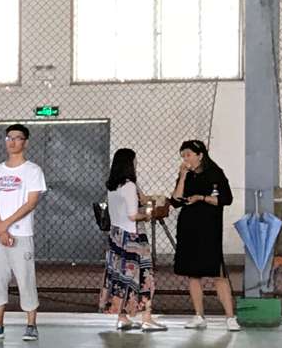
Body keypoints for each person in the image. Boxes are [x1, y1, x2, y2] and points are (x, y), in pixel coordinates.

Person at [0, 124, 47, 343]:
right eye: (9, 138)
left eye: (18, 138)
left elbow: (31, 202)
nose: (12, 142)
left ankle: (31, 325)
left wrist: (6, 225)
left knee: (25, 278)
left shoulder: (33, 171)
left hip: (21, 234)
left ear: (25, 142)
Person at [173, 138, 241, 332]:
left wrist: (202, 198)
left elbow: (226, 199)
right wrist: (182, 176)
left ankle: (230, 317)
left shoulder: (215, 173)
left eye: (188, 155)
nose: (186, 159)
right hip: (188, 228)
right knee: (193, 274)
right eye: (183, 156)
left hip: (209, 229)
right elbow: (176, 200)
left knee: (218, 274)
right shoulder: (186, 175)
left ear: (200, 155)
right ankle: (199, 315)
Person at [101, 149, 164, 333]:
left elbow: (139, 201)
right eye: (135, 161)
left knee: (120, 277)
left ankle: (122, 317)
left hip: (116, 236)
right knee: (144, 276)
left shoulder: (113, 186)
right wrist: (147, 215)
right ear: (130, 163)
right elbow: (133, 215)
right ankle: (146, 318)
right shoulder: (129, 186)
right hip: (133, 238)